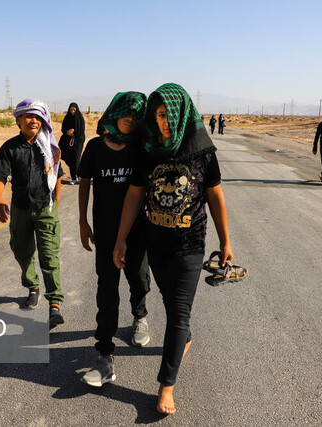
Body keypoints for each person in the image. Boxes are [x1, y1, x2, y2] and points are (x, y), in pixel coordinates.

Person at [113, 83, 233, 415]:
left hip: (190, 245)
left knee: (178, 314)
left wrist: (225, 241)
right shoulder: (147, 149)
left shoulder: (201, 151)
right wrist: (122, 238)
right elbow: (135, 195)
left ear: (182, 114)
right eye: (159, 115)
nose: (164, 121)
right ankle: (184, 338)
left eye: (169, 115)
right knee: (170, 305)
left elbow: (215, 197)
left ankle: (166, 386)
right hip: (156, 243)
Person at [78, 92, 152, 387]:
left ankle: (140, 316)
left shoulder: (141, 150)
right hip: (105, 233)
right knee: (106, 288)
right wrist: (83, 221)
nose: (131, 119)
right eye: (126, 113)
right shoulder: (95, 147)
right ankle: (105, 354)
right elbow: (84, 184)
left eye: (137, 116)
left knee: (138, 278)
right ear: (114, 112)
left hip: (137, 231)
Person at [0, 98, 65, 328]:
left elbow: (58, 174)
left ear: (42, 120)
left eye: (37, 117)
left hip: (46, 208)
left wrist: (57, 201)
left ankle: (54, 303)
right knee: (21, 250)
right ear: (19, 121)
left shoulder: (49, 146)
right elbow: (0, 176)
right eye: (28, 116)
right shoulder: (10, 147)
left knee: (49, 256)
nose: (33, 120)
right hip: (20, 209)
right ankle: (32, 285)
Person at [59, 102, 85, 184]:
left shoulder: (80, 118)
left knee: (76, 158)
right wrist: (68, 132)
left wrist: (74, 132)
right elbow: (63, 129)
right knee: (70, 159)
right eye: (71, 110)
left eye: (74, 110)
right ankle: (73, 178)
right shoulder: (67, 118)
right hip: (68, 141)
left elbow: (81, 130)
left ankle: (80, 176)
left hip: (78, 141)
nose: (73, 111)